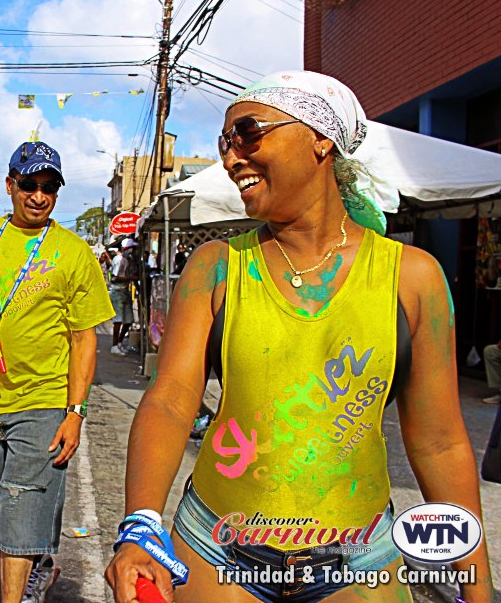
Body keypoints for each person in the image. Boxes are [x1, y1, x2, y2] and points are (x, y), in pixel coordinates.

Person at [105, 71, 494, 603]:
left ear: (320, 139)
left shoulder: (412, 277)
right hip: (216, 551)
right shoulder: (216, 266)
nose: (230, 156)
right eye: (225, 142)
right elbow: (172, 400)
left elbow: (440, 441)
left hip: (360, 564)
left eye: (247, 133)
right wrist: (141, 525)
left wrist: (477, 588)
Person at [0, 140, 114, 603]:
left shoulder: (74, 252)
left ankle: (16, 594)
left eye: (49, 187)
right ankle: (40, 561)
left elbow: (85, 338)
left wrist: (76, 412)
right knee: (7, 500)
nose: (38, 196)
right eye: (29, 184)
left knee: (23, 500)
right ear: (10, 185)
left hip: (44, 400)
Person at [109, 238, 137, 356]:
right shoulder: (119, 260)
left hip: (125, 291)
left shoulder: (127, 260)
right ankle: (115, 345)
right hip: (117, 292)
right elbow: (114, 278)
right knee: (118, 320)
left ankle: (119, 342)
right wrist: (130, 279)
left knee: (128, 320)